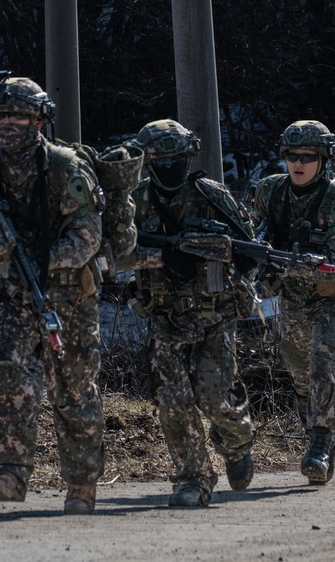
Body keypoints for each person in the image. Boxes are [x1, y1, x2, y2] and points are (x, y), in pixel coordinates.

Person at [0, 75, 106, 514]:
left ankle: (81, 484)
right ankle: (9, 473)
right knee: (8, 378)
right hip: (12, 294)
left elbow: (88, 234)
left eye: (18, 115)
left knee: (73, 390)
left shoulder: (64, 167)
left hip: (67, 295)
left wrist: (45, 260)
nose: (8, 124)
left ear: (38, 119)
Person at [120, 118, 256, 508]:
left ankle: (237, 438)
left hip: (215, 314)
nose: (169, 167)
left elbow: (249, 251)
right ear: (147, 161)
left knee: (213, 397)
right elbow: (112, 255)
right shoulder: (136, 201)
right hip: (165, 317)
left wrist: (222, 254)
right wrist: (161, 256)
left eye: (177, 159)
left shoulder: (211, 195)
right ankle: (193, 478)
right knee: (173, 401)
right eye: (160, 160)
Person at [250, 120, 335, 485]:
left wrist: (281, 260)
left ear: (324, 158)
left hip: (334, 299)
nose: (298, 164)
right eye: (292, 156)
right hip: (293, 298)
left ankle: (320, 444)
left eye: (308, 157)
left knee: (324, 365)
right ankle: (325, 438)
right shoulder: (271, 191)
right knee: (300, 378)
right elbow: (255, 234)